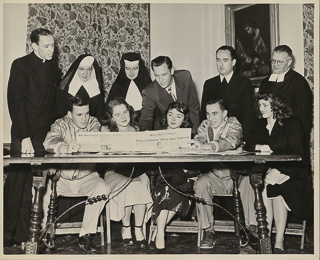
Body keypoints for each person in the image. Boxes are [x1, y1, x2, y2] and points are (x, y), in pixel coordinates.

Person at [4, 28, 60, 247]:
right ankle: (6, 235)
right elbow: (16, 103)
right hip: (23, 133)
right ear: (34, 46)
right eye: (46, 46)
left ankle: (24, 235)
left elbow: (52, 104)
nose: (51, 50)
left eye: (53, 45)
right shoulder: (21, 65)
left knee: (34, 186)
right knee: (16, 185)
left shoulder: (53, 67)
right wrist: (25, 137)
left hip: (42, 135)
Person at [243, 93, 313, 253]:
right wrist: (260, 147)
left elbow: (298, 155)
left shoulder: (292, 124)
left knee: (273, 185)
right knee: (268, 184)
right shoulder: (260, 124)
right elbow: (248, 144)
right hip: (269, 173)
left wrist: (281, 171)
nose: (261, 109)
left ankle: (278, 240)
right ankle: (266, 238)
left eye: (265, 105)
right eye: (259, 105)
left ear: (276, 105)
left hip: (294, 174)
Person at [43, 96, 111, 251]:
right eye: (79, 115)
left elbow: (94, 136)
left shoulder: (94, 122)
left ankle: (85, 234)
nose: (85, 118)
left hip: (87, 177)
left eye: (86, 113)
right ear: (69, 114)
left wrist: (90, 141)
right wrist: (64, 147)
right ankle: (44, 233)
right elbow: (49, 141)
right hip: (62, 178)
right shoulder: (60, 123)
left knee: (103, 189)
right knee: (41, 190)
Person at [100, 98, 153, 248]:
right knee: (129, 186)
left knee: (140, 185)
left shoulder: (136, 130)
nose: (123, 117)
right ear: (111, 117)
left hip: (136, 170)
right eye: (118, 115)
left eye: (125, 112)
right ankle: (126, 228)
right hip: (114, 171)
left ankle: (138, 228)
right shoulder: (106, 131)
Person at [192, 98, 243, 249]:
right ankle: (208, 230)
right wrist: (198, 144)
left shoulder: (233, 123)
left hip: (235, 177)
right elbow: (199, 138)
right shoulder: (205, 125)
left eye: (214, 114)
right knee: (201, 183)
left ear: (225, 113)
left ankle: (250, 229)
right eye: (208, 114)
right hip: (215, 177)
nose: (210, 118)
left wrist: (211, 145)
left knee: (250, 184)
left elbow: (233, 140)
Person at [149, 101, 193, 250]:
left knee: (177, 187)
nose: (173, 119)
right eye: (170, 114)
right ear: (165, 116)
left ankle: (159, 228)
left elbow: (193, 166)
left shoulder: (188, 137)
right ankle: (161, 232)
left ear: (184, 119)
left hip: (179, 179)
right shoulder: (156, 135)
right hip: (160, 177)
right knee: (166, 188)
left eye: (178, 116)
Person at [200, 45, 255, 141]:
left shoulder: (244, 83)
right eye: (218, 60)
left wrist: (244, 139)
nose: (221, 64)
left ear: (233, 62)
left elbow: (248, 115)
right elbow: (204, 115)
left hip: (236, 137)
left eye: (225, 60)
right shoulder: (209, 84)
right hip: (213, 138)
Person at [259, 45, 313, 136]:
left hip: (289, 136)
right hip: (268, 134)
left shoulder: (298, 82)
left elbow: (303, 115)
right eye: (273, 61)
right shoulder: (265, 82)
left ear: (289, 62)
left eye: (279, 62)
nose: (275, 65)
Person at [140, 55, 200, 135]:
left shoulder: (185, 77)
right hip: (166, 132)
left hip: (187, 128)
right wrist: (145, 134)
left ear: (172, 71)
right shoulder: (149, 92)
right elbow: (146, 118)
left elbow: (193, 109)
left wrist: (195, 134)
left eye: (164, 75)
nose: (160, 80)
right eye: (157, 76)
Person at [56, 54, 105, 121]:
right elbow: (58, 113)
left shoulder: (95, 89)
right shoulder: (65, 88)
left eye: (89, 69)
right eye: (81, 69)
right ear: (76, 69)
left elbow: (99, 116)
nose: (85, 73)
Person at [106, 52, 152, 118]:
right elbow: (109, 112)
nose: (131, 72)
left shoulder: (147, 85)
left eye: (135, 68)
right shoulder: (117, 86)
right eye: (127, 69)